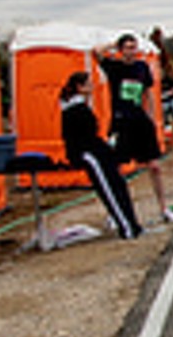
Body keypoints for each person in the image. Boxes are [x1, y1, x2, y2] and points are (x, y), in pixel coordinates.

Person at [96, 33, 173, 224]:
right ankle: (116, 212)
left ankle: (163, 208)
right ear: (121, 50)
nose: (131, 52)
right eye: (127, 48)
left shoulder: (141, 67)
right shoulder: (114, 67)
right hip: (121, 121)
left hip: (141, 120)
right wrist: (113, 44)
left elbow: (148, 93)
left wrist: (152, 116)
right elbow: (96, 52)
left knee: (154, 166)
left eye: (133, 48)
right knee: (118, 169)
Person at [59, 71, 143, 240]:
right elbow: (80, 138)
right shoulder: (74, 110)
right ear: (79, 87)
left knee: (118, 186)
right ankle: (127, 227)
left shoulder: (80, 107)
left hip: (98, 152)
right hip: (90, 154)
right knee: (110, 189)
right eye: (88, 84)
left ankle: (131, 224)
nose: (92, 87)